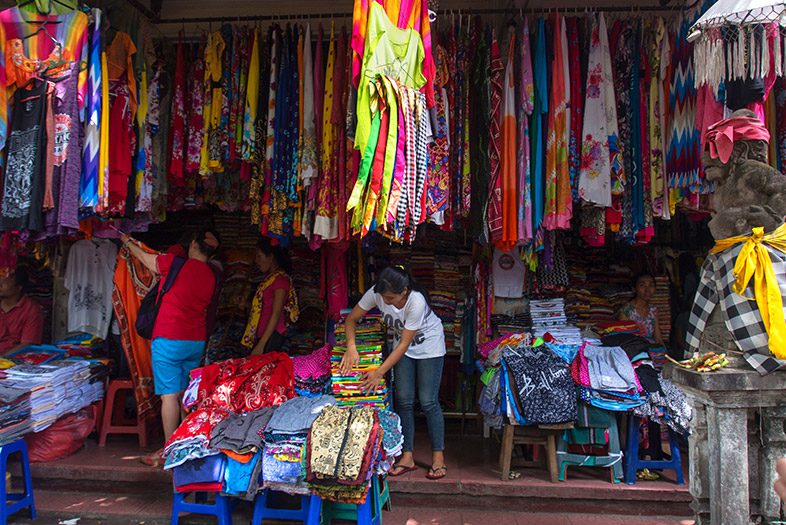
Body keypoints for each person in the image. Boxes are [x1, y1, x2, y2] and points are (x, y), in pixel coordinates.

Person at [121, 228, 220, 466]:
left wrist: (128, 243)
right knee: (187, 395)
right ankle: (188, 444)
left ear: (194, 244)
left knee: (169, 397)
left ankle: (170, 449)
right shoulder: (213, 275)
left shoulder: (177, 264)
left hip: (168, 337)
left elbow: (146, 260)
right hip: (195, 340)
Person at [339, 266, 447, 480]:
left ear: (404, 291)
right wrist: (351, 347)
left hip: (429, 347)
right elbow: (351, 319)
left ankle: (438, 457)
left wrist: (379, 372)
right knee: (403, 400)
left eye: (390, 298)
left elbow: (404, 345)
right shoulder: (376, 294)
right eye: (383, 297)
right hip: (402, 348)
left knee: (428, 402)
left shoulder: (416, 301)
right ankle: (407, 456)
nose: (385, 302)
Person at [242, 239, 299, 355]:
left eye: (259, 256)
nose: (256, 261)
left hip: (272, 337)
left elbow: (276, 313)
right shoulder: (269, 279)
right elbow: (265, 308)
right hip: (264, 335)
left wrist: (261, 344)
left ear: (271, 257)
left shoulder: (281, 280)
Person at [0, 266, 43, 355]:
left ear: (18, 287)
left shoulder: (31, 309)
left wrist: (2, 359)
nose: (0, 284)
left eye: (5, 281)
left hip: (14, 359)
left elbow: (28, 344)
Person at [620, 273, 665, 346]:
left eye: (651, 285)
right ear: (634, 289)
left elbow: (658, 338)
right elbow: (625, 340)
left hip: (650, 349)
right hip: (633, 350)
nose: (647, 289)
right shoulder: (627, 310)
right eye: (642, 285)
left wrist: (664, 353)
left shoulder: (653, 310)